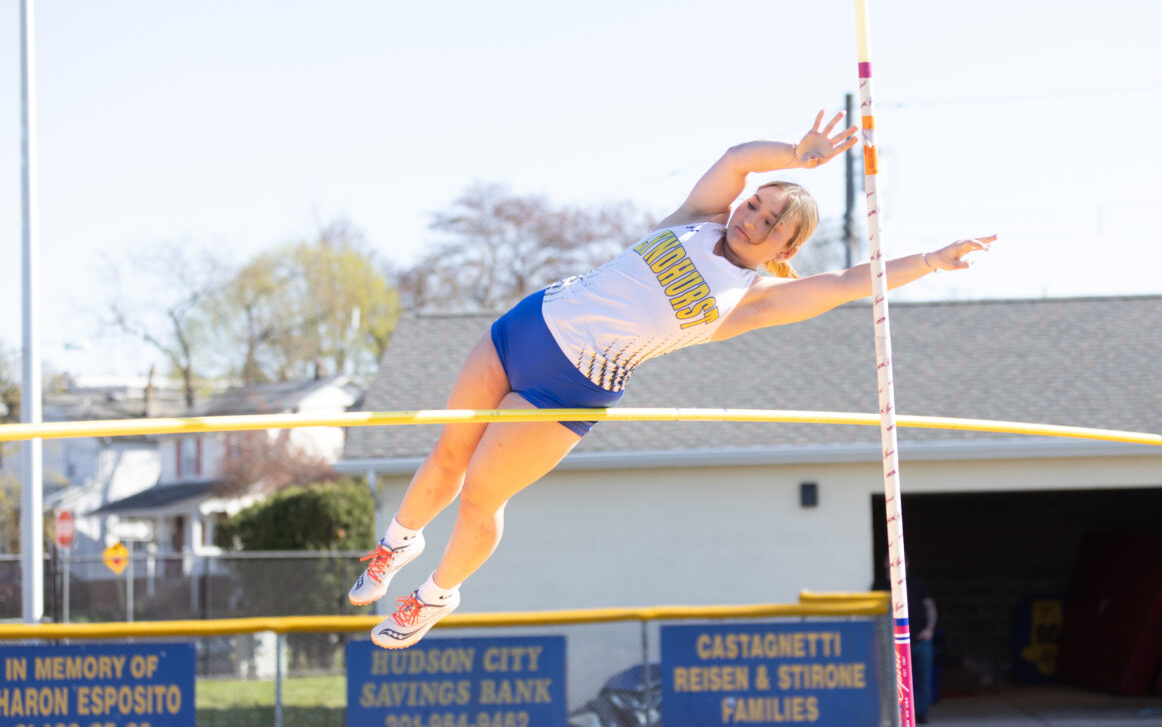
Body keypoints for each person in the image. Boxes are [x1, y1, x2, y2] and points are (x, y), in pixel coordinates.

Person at [349, 110, 996, 649]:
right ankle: (396, 544)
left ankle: (435, 596)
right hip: (525, 326)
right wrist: (796, 155)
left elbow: (851, 282)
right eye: (756, 204)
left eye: (772, 223)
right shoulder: (698, 216)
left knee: (480, 499)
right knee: (448, 453)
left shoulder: (752, 299)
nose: (753, 218)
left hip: (568, 388)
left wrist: (931, 260)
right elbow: (737, 158)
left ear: (786, 250)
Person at [874, 555, 939, 723]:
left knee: (923, 677)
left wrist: (929, 629)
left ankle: (920, 713)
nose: (895, 563)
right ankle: (897, 714)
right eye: (890, 560)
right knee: (892, 679)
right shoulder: (879, 585)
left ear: (908, 563)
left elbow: (929, 606)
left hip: (919, 639)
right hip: (892, 643)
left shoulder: (917, 582)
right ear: (885, 563)